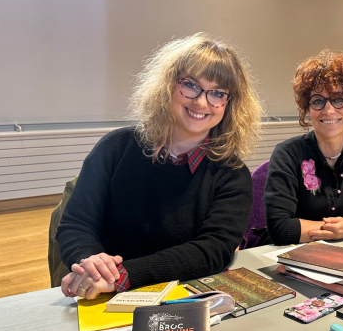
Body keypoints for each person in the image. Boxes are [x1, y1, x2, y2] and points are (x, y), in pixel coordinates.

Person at [58, 33, 261, 300]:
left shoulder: (233, 175)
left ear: (229, 103)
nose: (201, 102)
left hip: (183, 297)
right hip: (102, 294)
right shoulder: (114, 148)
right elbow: (76, 224)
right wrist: (92, 264)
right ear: (168, 85)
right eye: (191, 85)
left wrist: (123, 276)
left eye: (217, 93)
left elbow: (213, 250)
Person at [264, 50, 343, 244]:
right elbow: (280, 228)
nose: (329, 110)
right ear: (308, 109)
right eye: (318, 101)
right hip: (290, 252)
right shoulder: (287, 154)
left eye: (339, 99)